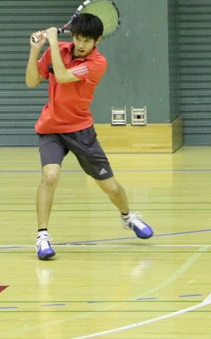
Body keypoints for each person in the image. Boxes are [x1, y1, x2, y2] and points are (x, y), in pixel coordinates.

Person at [26, 13, 153, 261]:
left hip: (81, 130)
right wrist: (35, 50)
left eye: (87, 40)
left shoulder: (97, 63)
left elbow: (62, 76)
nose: (81, 44)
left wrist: (52, 42)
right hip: (52, 128)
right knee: (50, 176)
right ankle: (42, 237)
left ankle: (128, 217)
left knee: (111, 188)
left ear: (98, 40)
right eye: (78, 38)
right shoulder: (58, 51)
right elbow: (31, 81)